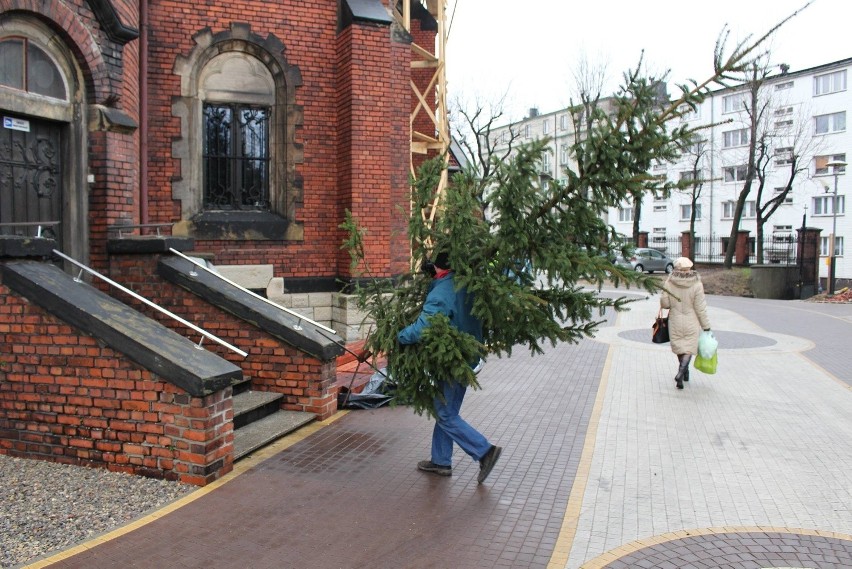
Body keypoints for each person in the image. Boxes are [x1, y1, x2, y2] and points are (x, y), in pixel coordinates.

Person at [398, 251, 502, 484]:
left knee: (444, 413)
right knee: (447, 412)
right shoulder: (466, 283)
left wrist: (400, 336)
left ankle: (485, 451)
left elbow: (423, 327)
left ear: (439, 268)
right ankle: (441, 460)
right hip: (468, 356)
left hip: (451, 360)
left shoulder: (443, 291)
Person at [660, 257, 711, 389]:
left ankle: (682, 374)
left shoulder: (670, 282)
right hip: (691, 321)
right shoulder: (697, 284)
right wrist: (706, 326)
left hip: (675, 320)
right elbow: (700, 307)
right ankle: (682, 372)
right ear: (690, 268)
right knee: (688, 347)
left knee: (679, 347)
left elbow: (665, 304)